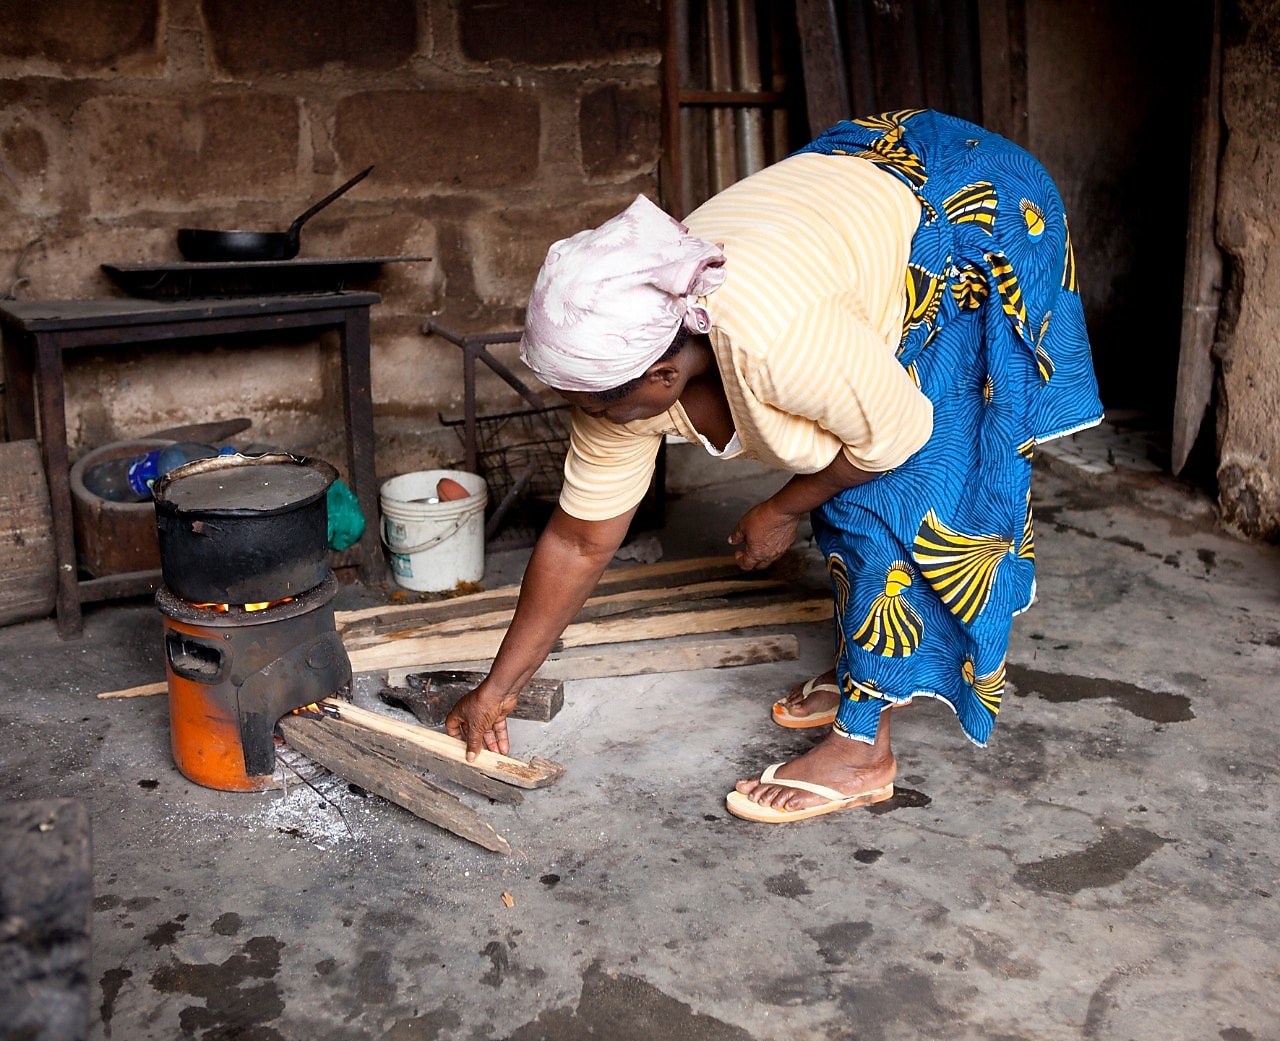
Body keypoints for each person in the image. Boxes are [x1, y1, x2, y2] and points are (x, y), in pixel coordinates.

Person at [444, 108, 1103, 824]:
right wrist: (498, 687)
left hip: (969, 209)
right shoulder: (619, 370)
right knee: (840, 465)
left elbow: (898, 434)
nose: (584, 414)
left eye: (594, 402)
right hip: (860, 193)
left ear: (662, 376)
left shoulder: (774, 341)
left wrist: (782, 507)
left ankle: (863, 749)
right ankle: (870, 673)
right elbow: (578, 541)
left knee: (882, 497)